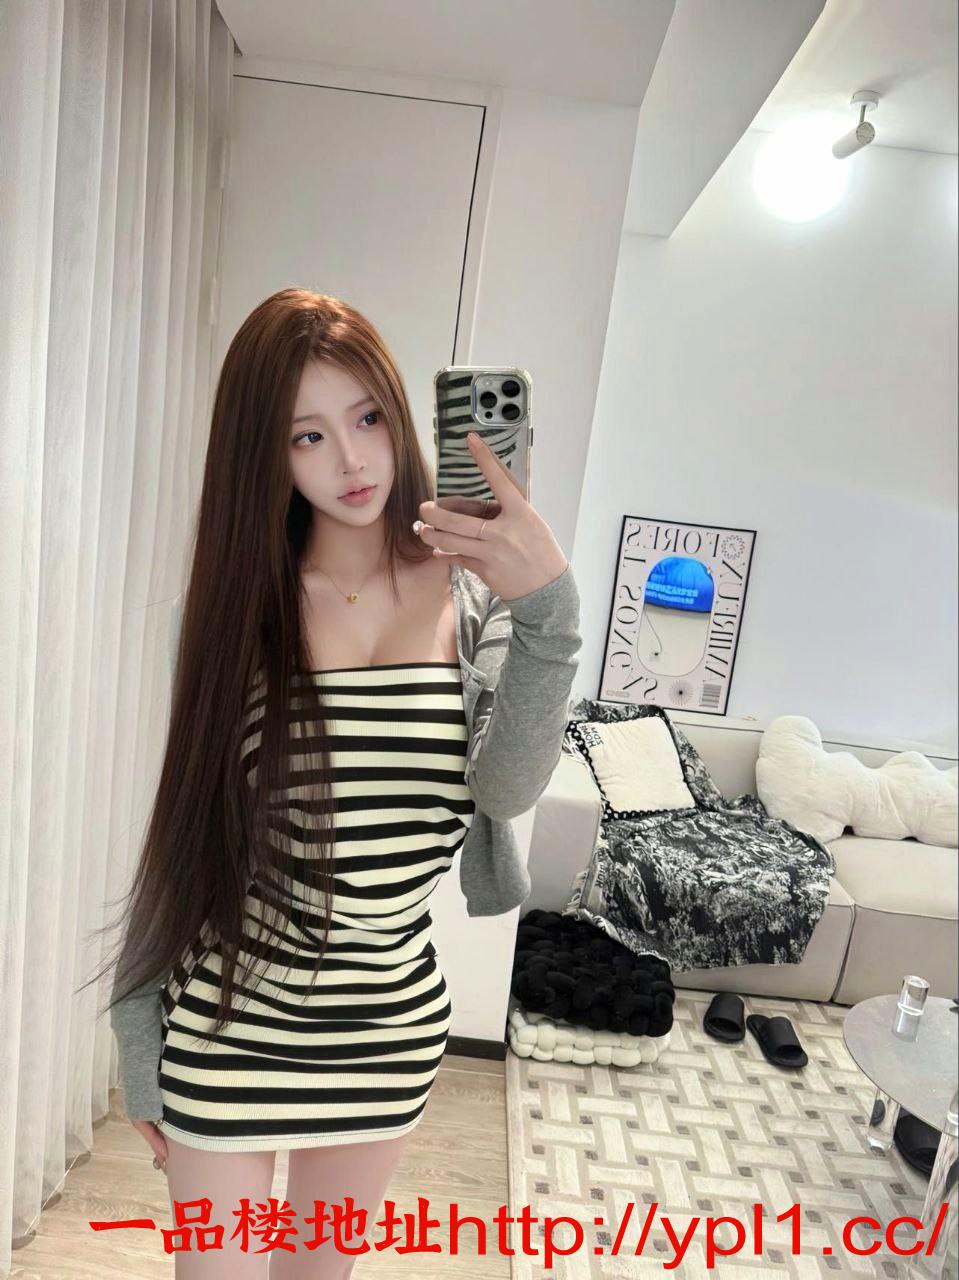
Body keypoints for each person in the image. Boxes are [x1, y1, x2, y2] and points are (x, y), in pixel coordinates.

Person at [103, 289, 582, 1278]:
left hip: (385, 1029)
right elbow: (182, 831)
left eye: (366, 418)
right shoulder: (237, 610)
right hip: (230, 1021)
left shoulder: (478, 607)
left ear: (401, 416)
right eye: (307, 435)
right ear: (266, 455)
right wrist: (136, 1029)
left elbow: (504, 789)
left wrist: (549, 610)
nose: (351, 460)